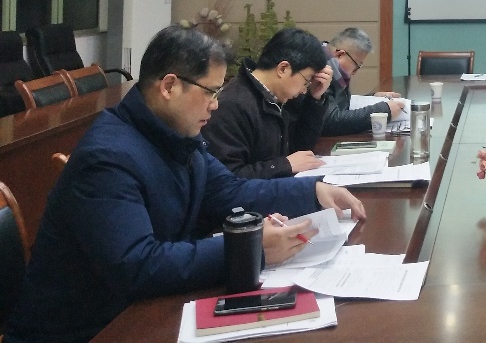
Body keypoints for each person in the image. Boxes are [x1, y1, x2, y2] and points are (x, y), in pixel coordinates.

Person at [2, 26, 365, 343]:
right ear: (170, 86)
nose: (216, 105)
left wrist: (310, 191)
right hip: (86, 331)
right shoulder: (107, 158)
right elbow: (138, 266)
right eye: (210, 92)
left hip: (139, 314)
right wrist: (250, 249)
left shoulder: (177, 137)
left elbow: (231, 192)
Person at [202, 27, 331, 178]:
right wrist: (284, 165)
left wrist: (314, 99)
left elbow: (300, 149)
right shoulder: (232, 105)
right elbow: (229, 178)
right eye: (306, 81)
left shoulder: (276, 97)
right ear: (283, 69)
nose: (304, 90)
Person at [322, 27, 405, 135]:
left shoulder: (334, 66)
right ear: (340, 55)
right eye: (357, 65)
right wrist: (384, 110)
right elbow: (331, 121)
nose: (355, 72)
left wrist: (372, 98)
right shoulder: (320, 69)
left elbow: (341, 104)